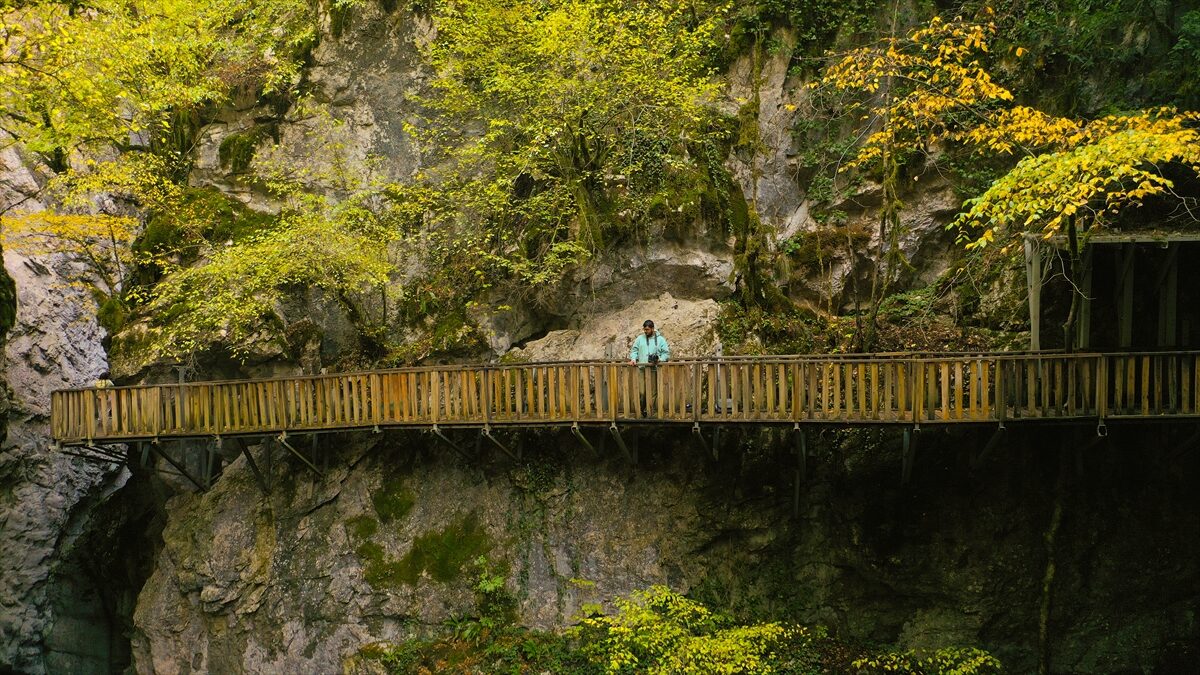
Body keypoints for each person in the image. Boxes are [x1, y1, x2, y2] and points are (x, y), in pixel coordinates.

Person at [629, 320, 669, 417]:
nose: (645, 331)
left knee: (653, 392)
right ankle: (642, 410)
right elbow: (634, 350)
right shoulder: (639, 339)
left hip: (654, 369)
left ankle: (649, 411)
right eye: (644, 329)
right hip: (642, 368)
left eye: (647, 329)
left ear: (652, 328)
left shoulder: (660, 340)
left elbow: (666, 353)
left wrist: (660, 359)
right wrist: (633, 359)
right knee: (642, 391)